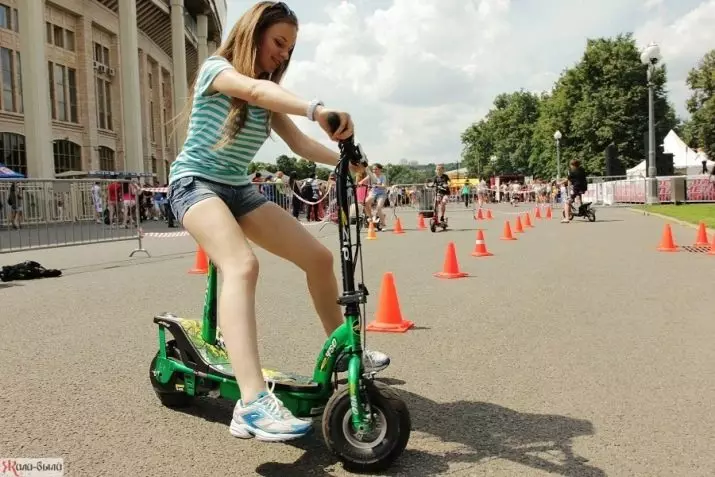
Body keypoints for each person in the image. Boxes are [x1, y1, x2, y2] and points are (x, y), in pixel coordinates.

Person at [166, 1, 389, 443]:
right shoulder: (218, 70)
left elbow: (303, 144)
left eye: (290, 49)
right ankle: (250, 404)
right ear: (254, 34)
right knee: (242, 265)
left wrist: (353, 161)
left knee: (319, 257)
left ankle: (345, 356)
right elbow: (258, 93)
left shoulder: (265, 93)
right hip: (194, 184)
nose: (284, 55)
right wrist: (318, 107)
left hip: (238, 189)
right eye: (279, 43)